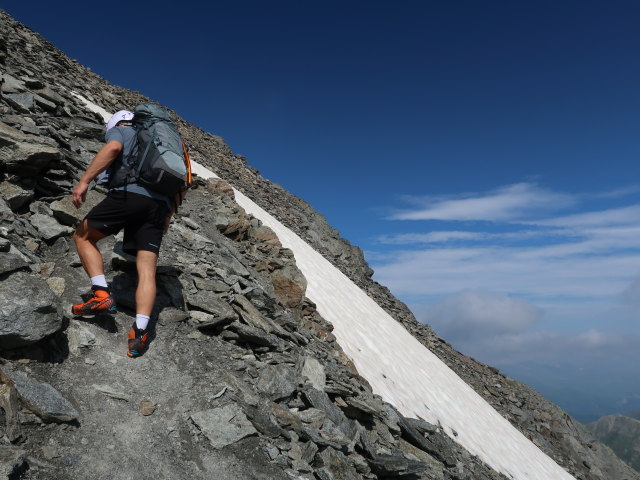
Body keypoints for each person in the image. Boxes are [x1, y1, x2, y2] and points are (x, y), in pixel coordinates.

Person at [70, 110, 175, 358]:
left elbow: (113, 148)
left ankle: (101, 294)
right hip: (160, 207)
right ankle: (140, 333)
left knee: (83, 236)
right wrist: (167, 215)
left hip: (130, 194)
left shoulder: (123, 129)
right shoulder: (163, 143)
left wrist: (85, 180)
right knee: (147, 268)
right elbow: (179, 184)